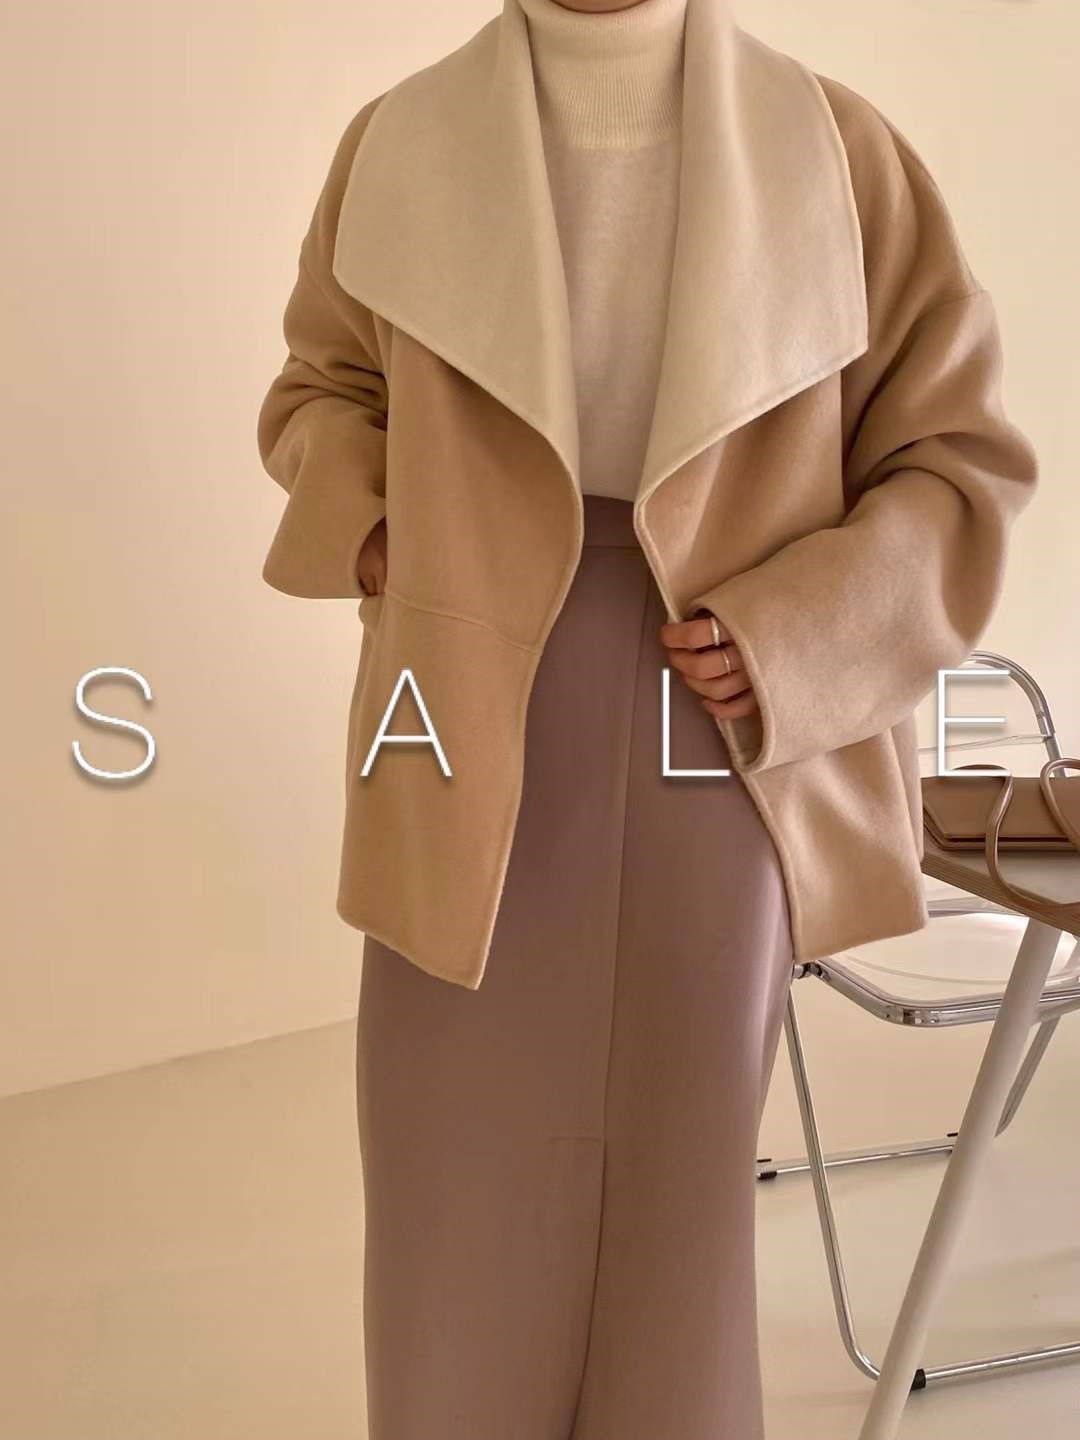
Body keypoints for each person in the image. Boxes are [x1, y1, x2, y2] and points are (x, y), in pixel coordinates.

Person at [255, 1, 1039, 1435]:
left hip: (727, 708)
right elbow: (319, 390)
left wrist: (796, 633)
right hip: (469, 673)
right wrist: (377, 529)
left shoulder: (839, 149)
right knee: (449, 1154)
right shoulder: (401, 142)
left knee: (684, 1167)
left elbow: (957, 463)